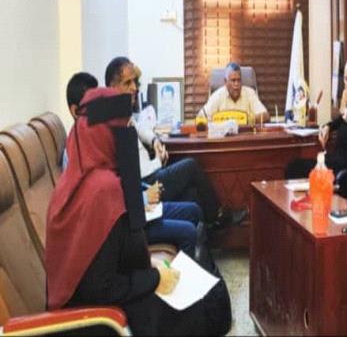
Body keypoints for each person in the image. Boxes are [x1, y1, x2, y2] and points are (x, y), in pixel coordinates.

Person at [45, 87, 231, 335]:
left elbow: (107, 260)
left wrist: (149, 266)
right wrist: (155, 278)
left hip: (94, 303)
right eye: (122, 130)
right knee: (216, 306)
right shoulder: (103, 190)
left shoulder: (72, 181)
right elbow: (100, 287)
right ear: (105, 135)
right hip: (97, 319)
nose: (127, 138)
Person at [64, 71, 204, 260]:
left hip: (135, 207)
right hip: (123, 225)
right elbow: (101, 209)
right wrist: (144, 198)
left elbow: (121, 181)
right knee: (188, 228)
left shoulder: (105, 135)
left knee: (193, 206)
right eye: (93, 103)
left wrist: (143, 193)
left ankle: (207, 273)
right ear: (75, 111)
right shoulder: (75, 154)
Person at [105, 57, 226, 228]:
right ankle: (219, 215)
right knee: (191, 165)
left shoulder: (123, 112)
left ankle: (212, 228)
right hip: (147, 183)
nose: (134, 88)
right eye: (127, 83)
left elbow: (140, 128)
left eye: (135, 82)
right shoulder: (112, 121)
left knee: (192, 194)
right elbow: (137, 171)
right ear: (112, 88)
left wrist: (154, 140)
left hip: (150, 175)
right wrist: (158, 160)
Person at [285, 55, 347, 185]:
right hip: (335, 165)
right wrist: (328, 127)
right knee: (294, 166)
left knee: (295, 168)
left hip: (344, 174)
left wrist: (325, 161)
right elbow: (338, 121)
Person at [201, 62, 270, 122]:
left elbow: (265, 116)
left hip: (246, 132)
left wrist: (246, 120)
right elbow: (201, 117)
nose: (236, 84)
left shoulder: (250, 93)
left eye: (238, 80)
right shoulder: (217, 96)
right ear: (225, 82)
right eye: (233, 80)